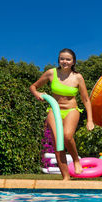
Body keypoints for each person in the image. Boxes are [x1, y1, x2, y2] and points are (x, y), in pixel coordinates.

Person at [30, 48, 94, 180]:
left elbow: (86, 99)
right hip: (54, 110)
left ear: (73, 62)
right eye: (62, 59)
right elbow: (33, 86)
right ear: (59, 60)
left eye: (68, 59)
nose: (64, 61)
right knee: (57, 142)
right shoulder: (51, 73)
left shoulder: (78, 77)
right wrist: (38, 94)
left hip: (71, 110)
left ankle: (76, 160)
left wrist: (90, 120)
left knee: (67, 136)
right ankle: (66, 177)